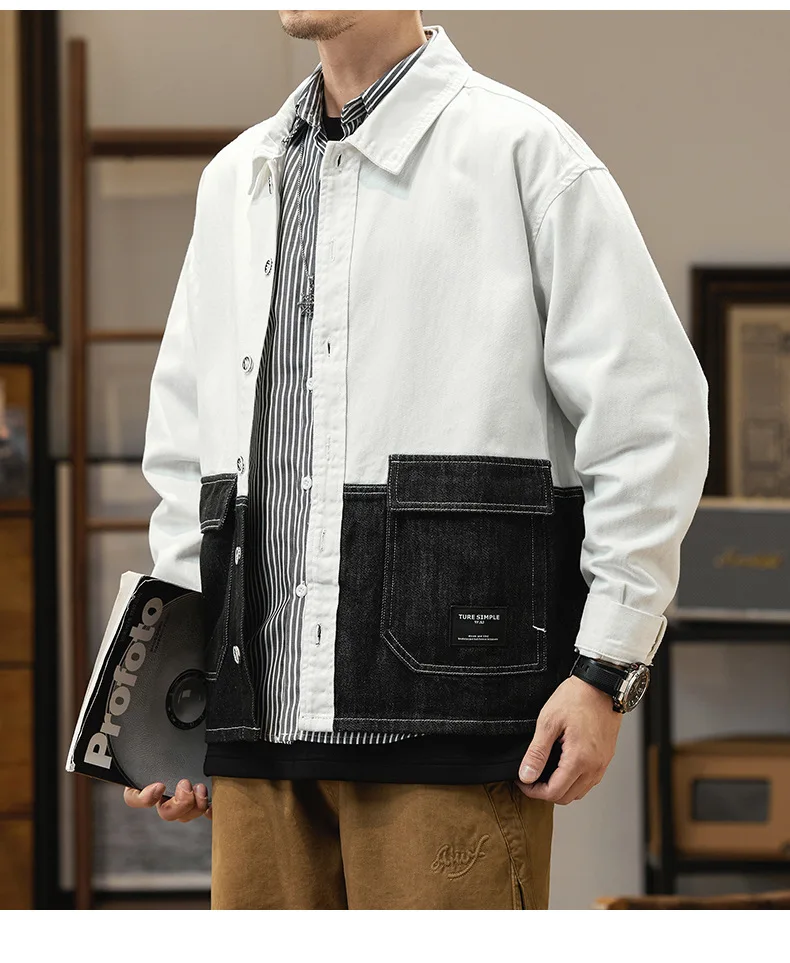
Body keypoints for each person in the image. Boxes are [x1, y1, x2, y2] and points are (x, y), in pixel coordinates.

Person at [123, 11, 709, 909]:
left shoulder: (524, 155)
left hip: (449, 732)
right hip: (253, 749)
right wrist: (176, 690)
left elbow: (651, 416)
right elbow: (185, 448)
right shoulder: (236, 179)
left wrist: (604, 669)